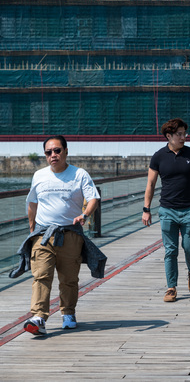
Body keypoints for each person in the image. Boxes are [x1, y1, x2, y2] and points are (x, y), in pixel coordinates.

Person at [16, 135, 104, 335]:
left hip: (70, 234)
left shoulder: (79, 174)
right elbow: (32, 203)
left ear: (65, 151)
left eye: (57, 151)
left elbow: (93, 199)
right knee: (41, 275)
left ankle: (68, 313)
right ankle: (39, 317)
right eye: (48, 152)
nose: (53, 155)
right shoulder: (39, 176)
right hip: (43, 234)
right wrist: (32, 230)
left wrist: (85, 214)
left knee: (69, 278)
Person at [142, 118, 190, 303]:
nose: (183, 137)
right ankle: (171, 287)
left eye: (184, 133)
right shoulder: (158, 156)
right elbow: (151, 183)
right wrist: (146, 209)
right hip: (167, 210)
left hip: (189, 210)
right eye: (179, 134)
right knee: (170, 250)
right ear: (168, 136)